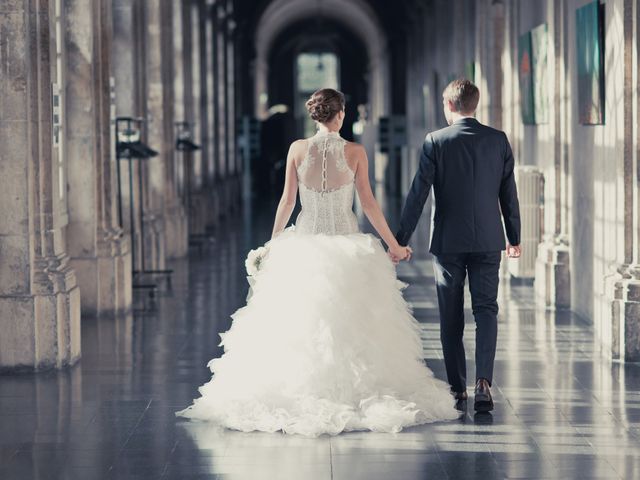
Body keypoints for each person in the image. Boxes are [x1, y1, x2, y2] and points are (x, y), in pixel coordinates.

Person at [175, 88, 459, 436]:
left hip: (305, 245)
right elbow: (368, 203)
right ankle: (352, 392)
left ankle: (302, 390)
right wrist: (395, 244)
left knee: (300, 328)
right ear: (340, 115)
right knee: (354, 327)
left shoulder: (297, 149)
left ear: (315, 116)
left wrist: (273, 244)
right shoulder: (354, 152)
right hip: (346, 246)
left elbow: (287, 202)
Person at [394, 79, 522, 413]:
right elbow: (509, 193)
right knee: (486, 310)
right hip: (488, 241)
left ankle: (456, 388)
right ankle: (483, 383)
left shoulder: (435, 141)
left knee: (451, 317)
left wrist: (400, 240)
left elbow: (418, 194)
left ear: (449, 105)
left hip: (449, 242)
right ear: (474, 104)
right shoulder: (498, 140)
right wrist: (514, 236)